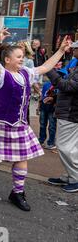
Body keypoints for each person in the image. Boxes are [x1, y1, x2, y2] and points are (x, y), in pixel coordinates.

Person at [0, 28, 72, 211]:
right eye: (18, 56)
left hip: (20, 124)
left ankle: (17, 192)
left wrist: (61, 51)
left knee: (22, 158)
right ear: (7, 60)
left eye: (23, 56)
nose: (22, 59)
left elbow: (46, 67)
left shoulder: (26, 73)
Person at [46, 45, 78, 193]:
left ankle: (75, 178)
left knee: (65, 147)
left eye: (76, 48)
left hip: (71, 113)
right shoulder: (75, 65)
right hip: (69, 111)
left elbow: (67, 86)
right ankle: (69, 176)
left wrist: (50, 70)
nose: (73, 50)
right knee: (69, 147)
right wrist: (54, 98)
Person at [37, 78, 58, 150]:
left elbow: (59, 97)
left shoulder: (58, 85)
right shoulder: (46, 84)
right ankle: (41, 140)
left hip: (52, 109)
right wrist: (38, 107)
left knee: (52, 126)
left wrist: (52, 99)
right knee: (42, 125)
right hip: (43, 108)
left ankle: (51, 143)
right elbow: (41, 96)